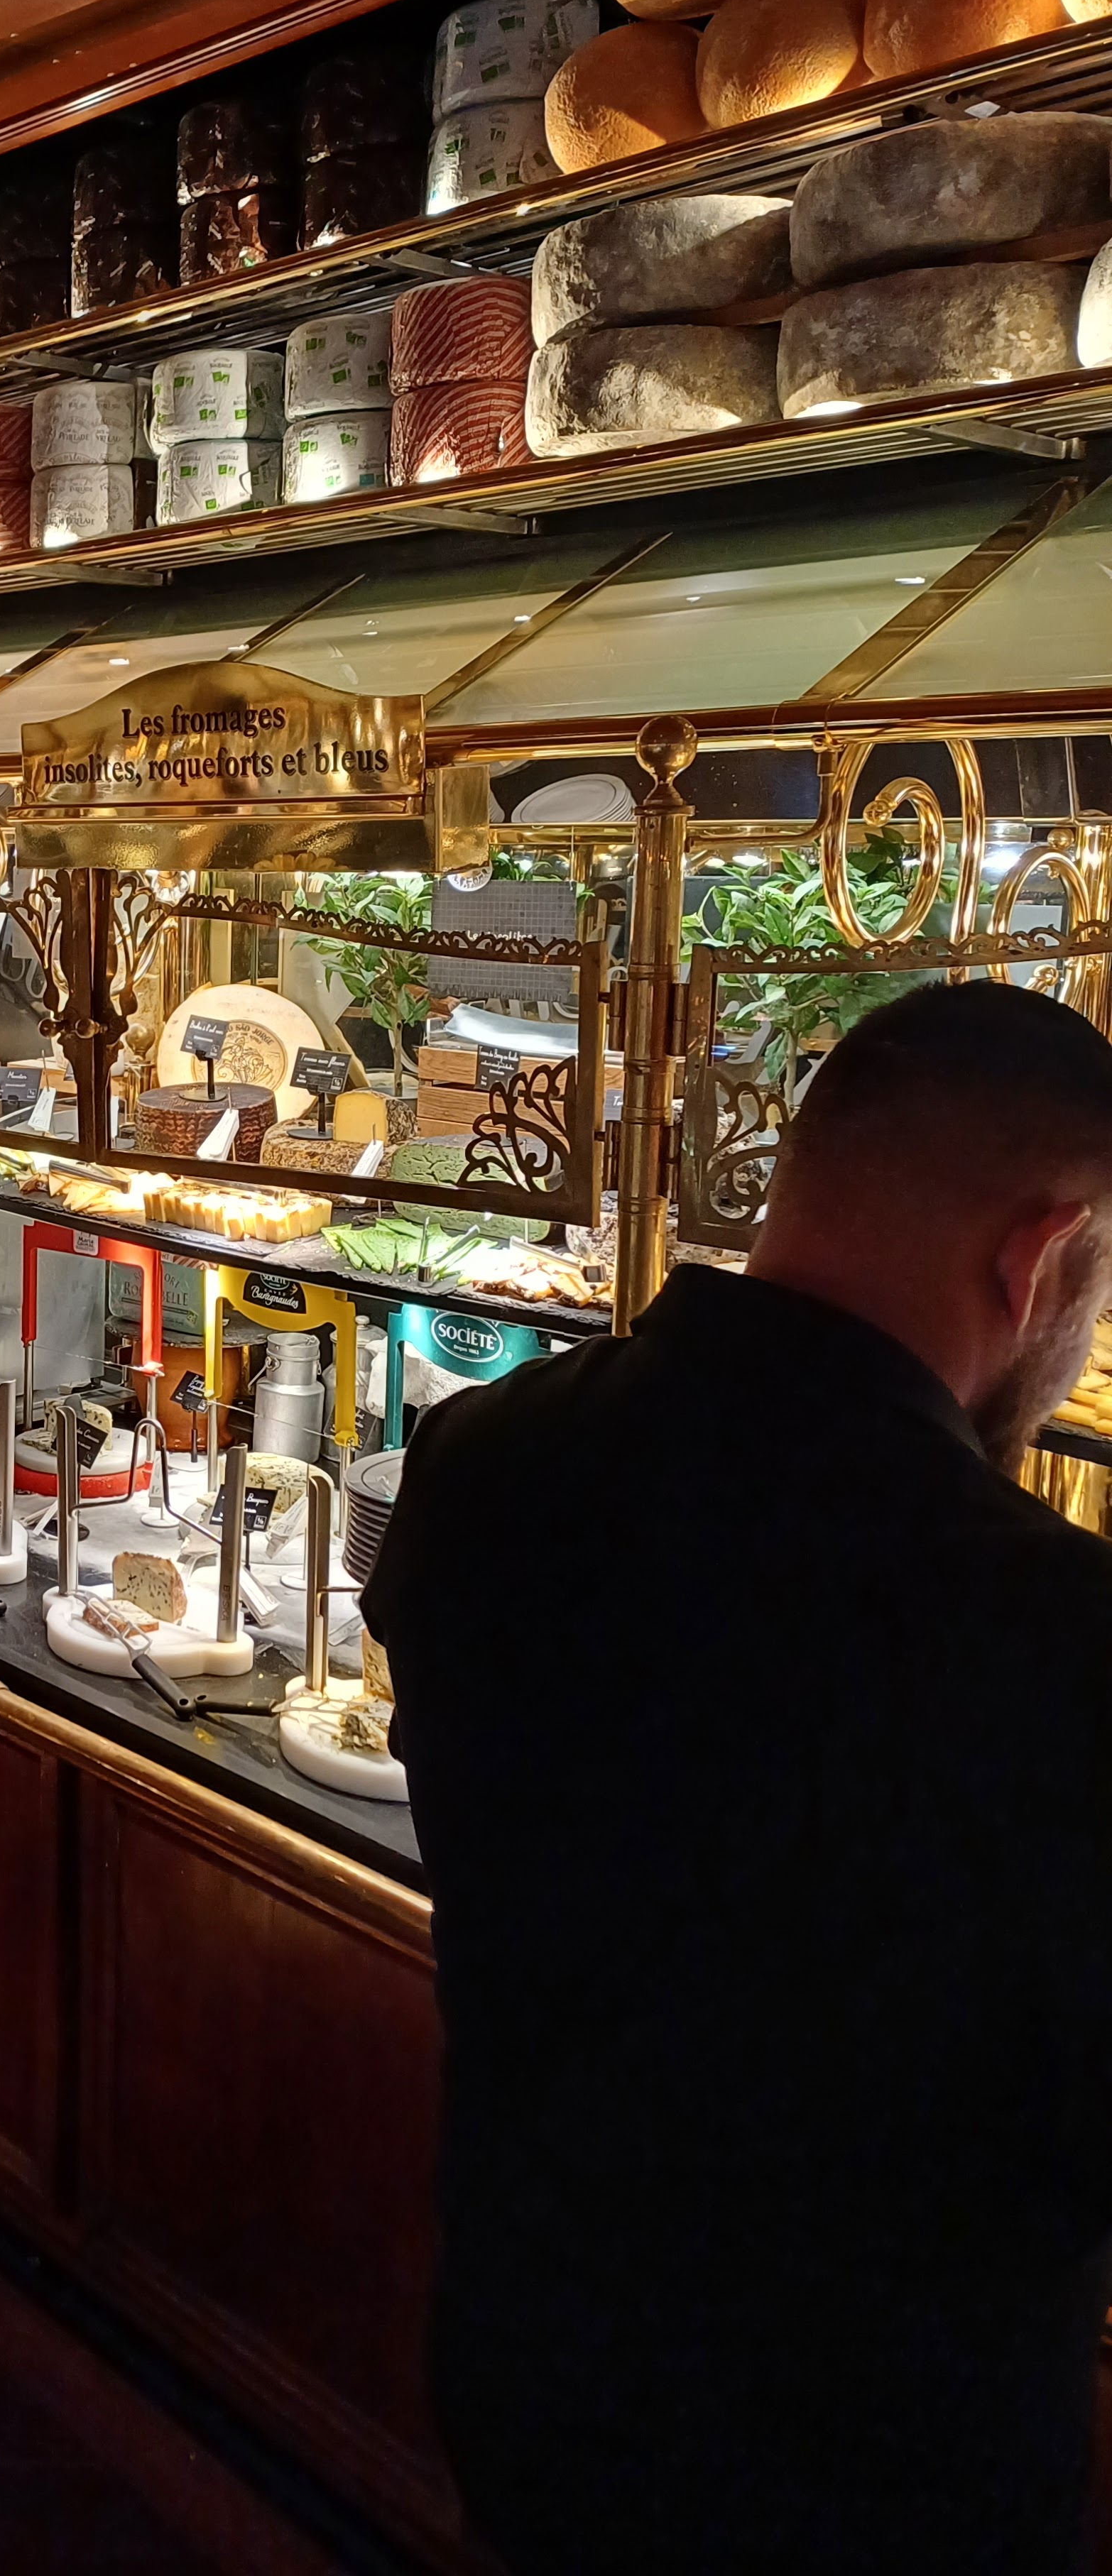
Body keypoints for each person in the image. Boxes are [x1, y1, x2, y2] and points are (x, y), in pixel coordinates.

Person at [371, 980, 1112, 2576]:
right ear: (1041, 1254)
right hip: (887, 2499)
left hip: (533, 2382)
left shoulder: (480, 1462)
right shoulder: (1062, 1633)